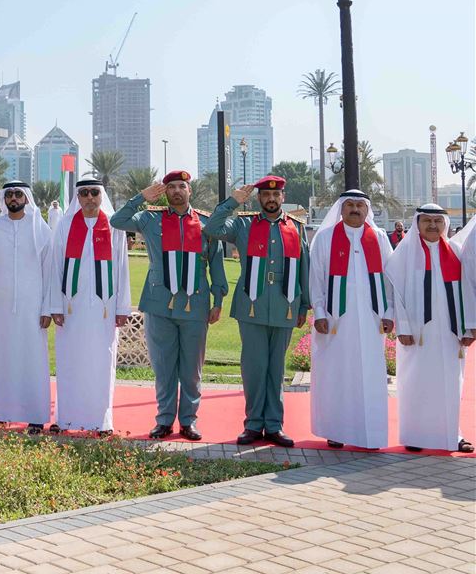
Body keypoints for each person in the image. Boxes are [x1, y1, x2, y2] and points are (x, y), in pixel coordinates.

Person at [110, 170, 227, 440]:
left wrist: (218, 300)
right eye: (171, 187)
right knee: (163, 367)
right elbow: (118, 220)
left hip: (196, 305)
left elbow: (217, 266)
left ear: (190, 191)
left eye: (181, 186)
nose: (176, 191)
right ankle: (164, 420)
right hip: (159, 305)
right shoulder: (150, 219)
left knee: (191, 369)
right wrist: (141, 197)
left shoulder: (206, 224)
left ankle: (188, 421)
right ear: (165, 192)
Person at [206, 175, 311, 447]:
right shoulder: (243, 224)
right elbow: (212, 228)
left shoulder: (296, 228)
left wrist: (304, 304)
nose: (271, 199)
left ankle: (274, 425)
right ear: (259, 198)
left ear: (283, 198)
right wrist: (232, 202)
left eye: (276, 195)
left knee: (276, 368)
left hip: (285, 305)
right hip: (251, 305)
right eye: (266, 195)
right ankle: (253, 424)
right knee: (254, 368)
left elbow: (304, 269)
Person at [307, 190, 395, 449]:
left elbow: (390, 279)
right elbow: (317, 279)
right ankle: (337, 430)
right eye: (349, 205)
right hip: (336, 321)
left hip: (371, 321)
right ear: (341, 209)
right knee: (337, 374)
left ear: (367, 210)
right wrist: (320, 313)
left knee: (370, 376)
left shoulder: (378, 238)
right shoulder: (325, 238)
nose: (355, 209)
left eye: (359, 205)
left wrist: (389, 313)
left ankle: (371, 434)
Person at [387, 205, 475, 453]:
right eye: (427, 221)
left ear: (445, 224)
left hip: (450, 333)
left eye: (438, 221)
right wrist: (402, 326)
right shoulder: (405, 254)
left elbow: (468, 290)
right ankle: (415, 435)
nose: (433, 226)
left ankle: (452, 435)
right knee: (415, 383)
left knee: (451, 385)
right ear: (417, 223)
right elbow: (395, 292)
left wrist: (468, 328)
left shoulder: (457, 252)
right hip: (416, 334)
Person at [47, 178, 131, 433]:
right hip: (71, 308)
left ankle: (101, 421)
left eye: (94, 192)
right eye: (83, 193)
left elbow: (122, 268)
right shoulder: (64, 225)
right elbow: (55, 268)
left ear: (101, 195)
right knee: (70, 362)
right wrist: (55, 306)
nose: (89, 197)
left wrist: (122, 308)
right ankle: (67, 419)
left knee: (101, 363)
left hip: (104, 309)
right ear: (78, 197)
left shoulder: (114, 226)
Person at [0, 181, 51, 431]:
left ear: (27, 198)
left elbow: (48, 271)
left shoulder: (41, 227)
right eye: (9, 195)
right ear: (4, 199)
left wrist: (46, 308)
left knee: (32, 360)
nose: (14, 198)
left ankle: (35, 416)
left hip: (32, 308)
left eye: (18, 194)